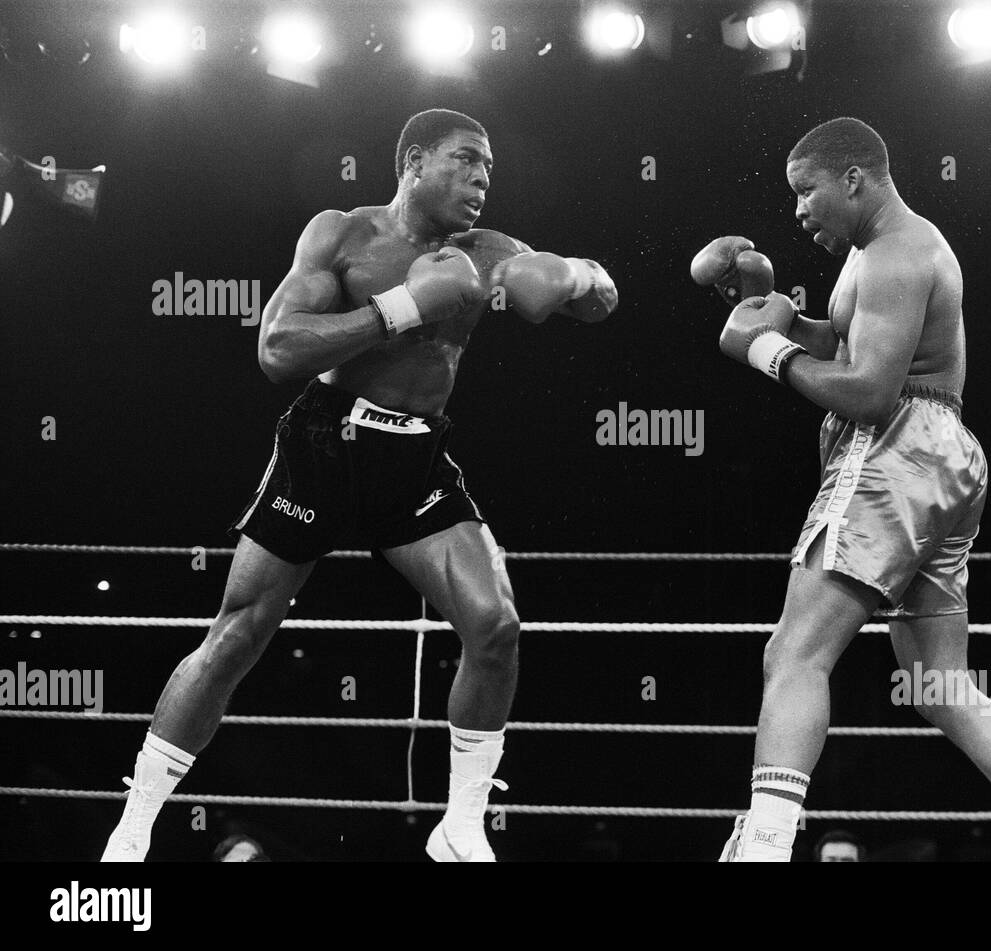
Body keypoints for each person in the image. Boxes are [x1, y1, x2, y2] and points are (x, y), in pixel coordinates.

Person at [100, 108, 618, 863]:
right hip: (324, 441)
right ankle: (136, 821)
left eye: (490, 168)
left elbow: (602, 300)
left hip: (414, 459)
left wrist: (577, 274)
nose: (482, 178)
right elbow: (278, 349)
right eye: (466, 160)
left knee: (496, 626)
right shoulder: (343, 233)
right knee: (237, 633)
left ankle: (461, 825)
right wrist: (403, 308)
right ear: (413, 161)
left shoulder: (490, 250)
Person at [697, 117, 991, 862]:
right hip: (944, 459)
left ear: (853, 178)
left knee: (794, 654)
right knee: (939, 685)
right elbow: (849, 345)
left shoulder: (897, 254)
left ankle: (766, 849)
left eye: (805, 190)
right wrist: (767, 306)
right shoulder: (881, 252)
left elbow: (870, 391)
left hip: (893, 450)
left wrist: (766, 352)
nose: (798, 210)